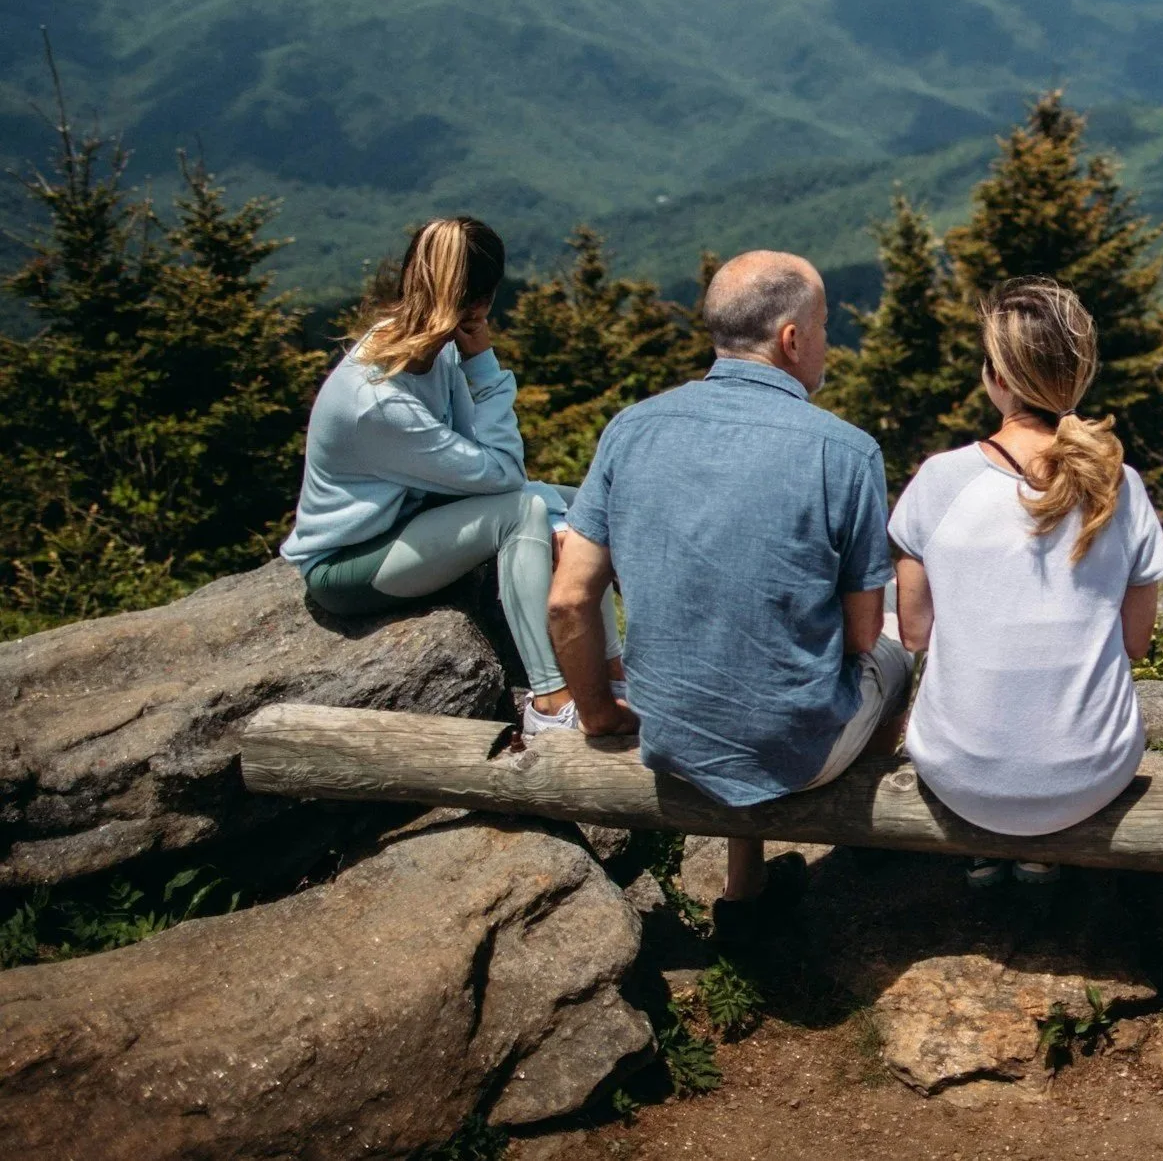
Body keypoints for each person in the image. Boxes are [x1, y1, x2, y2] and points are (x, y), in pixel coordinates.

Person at [546, 250, 908, 934]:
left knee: (731, 637)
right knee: (896, 655)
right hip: (798, 754)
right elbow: (862, 636)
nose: (827, 342)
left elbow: (568, 599)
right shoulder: (846, 451)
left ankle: (745, 883)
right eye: (824, 327)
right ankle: (868, 841)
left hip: (669, 736)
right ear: (792, 339)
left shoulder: (631, 428)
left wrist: (596, 713)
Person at [282, 217, 622, 734]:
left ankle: (613, 675)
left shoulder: (429, 351)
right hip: (347, 563)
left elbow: (486, 463)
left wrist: (562, 521)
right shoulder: (379, 400)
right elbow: (504, 474)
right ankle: (550, 703)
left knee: (584, 505)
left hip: (408, 521)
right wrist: (484, 365)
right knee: (523, 513)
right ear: (481, 302)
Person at [889, 277, 1163, 886]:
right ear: (1079, 377)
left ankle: (986, 848)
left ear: (995, 376)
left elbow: (914, 634)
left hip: (961, 776)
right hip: (1092, 775)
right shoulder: (1121, 485)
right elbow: (1135, 643)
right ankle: (1042, 855)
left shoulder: (939, 481)